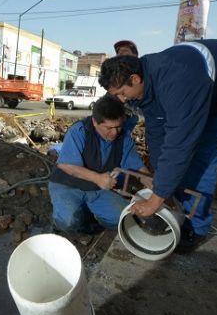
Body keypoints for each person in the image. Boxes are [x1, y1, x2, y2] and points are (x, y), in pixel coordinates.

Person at [99, 39, 217, 251]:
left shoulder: (177, 81)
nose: (121, 100)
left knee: (202, 158)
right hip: (198, 85)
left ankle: (197, 227)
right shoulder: (145, 87)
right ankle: (180, 203)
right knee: (171, 163)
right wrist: (159, 177)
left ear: (135, 79)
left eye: (121, 93)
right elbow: (157, 135)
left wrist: (156, 200)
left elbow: (180, 144)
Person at [49, 95, 147, 233]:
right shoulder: (80, 131)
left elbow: (139, 169)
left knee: (123, 218)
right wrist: (98, 178)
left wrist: (158, 192)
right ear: (95, 122)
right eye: (109, 128)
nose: (114, 132)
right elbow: (66, 165)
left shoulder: (123, 138)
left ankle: (93, 215)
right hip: (68, 184)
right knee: (69, 222)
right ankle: (62, 221)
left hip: (96, 189)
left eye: (118, 126)